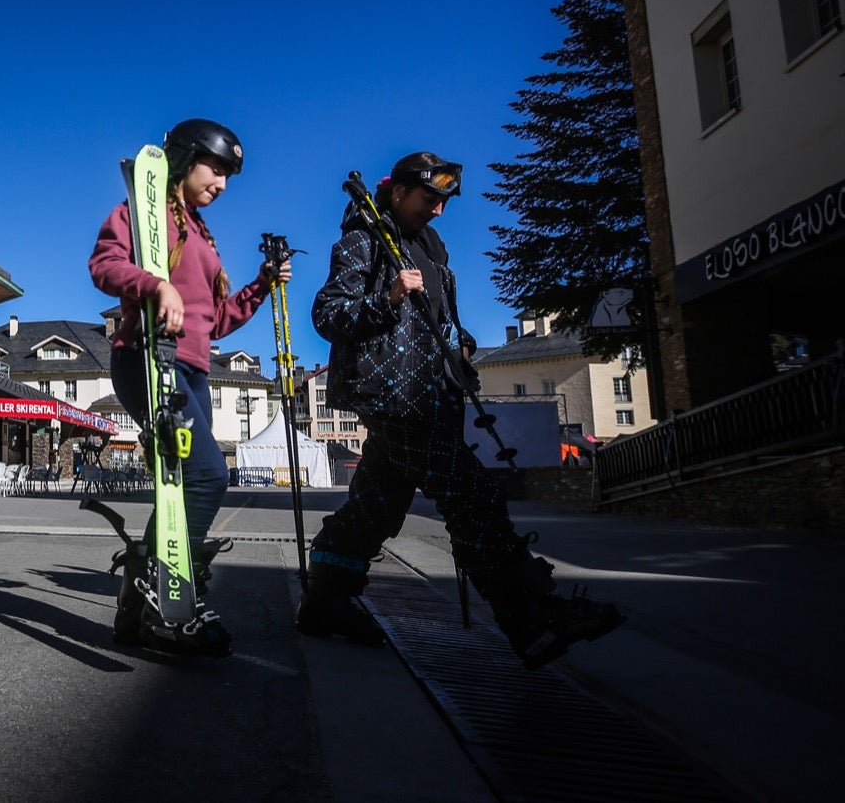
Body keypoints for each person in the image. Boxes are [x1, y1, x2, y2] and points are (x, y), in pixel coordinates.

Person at [296, 151, 623, 669]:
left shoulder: (429, 249)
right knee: (472, 494)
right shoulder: (364, 241)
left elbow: (441, 320)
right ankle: (531, 617)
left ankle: (325, 601)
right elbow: (328, 314)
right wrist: (388, 298)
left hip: (431, 391)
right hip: (395, 396)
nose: (439, 211)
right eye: (430, 199)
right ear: (399, 192)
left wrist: (464, 344)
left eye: (445, 202)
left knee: (375, 505)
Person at [88, 119, 290, 657]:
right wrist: (154, 284)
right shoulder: (143, 214)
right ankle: (170, 598)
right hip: (146, 357)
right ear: (184, 162)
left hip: (193, 368)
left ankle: (138, 607)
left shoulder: (201, 233)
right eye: (216, 169)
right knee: (208, 475)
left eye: (229, 176)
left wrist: (260, 287)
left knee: (179, 489)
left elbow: (215, 320)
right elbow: (104, 266)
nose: (222, 183)